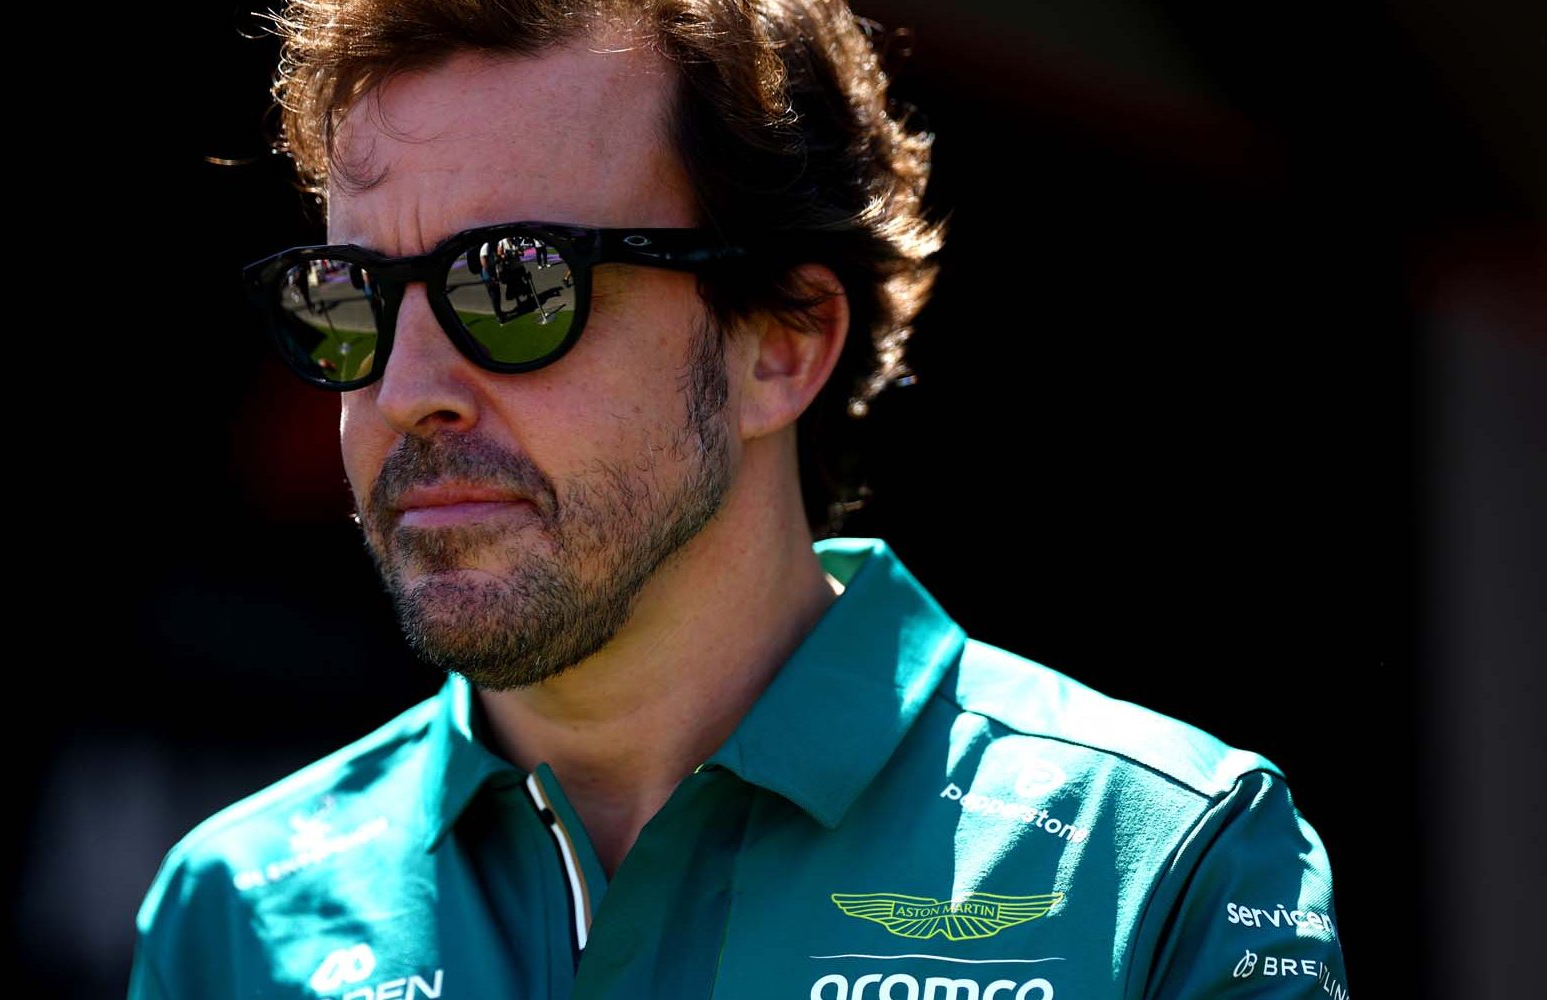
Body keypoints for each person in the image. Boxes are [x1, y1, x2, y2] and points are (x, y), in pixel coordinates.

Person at [132, 2, 1350, 999]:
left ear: (781, 341)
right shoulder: (232, 908)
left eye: (513, 285)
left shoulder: (1161, 865)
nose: (406, 392)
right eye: (350, 296)